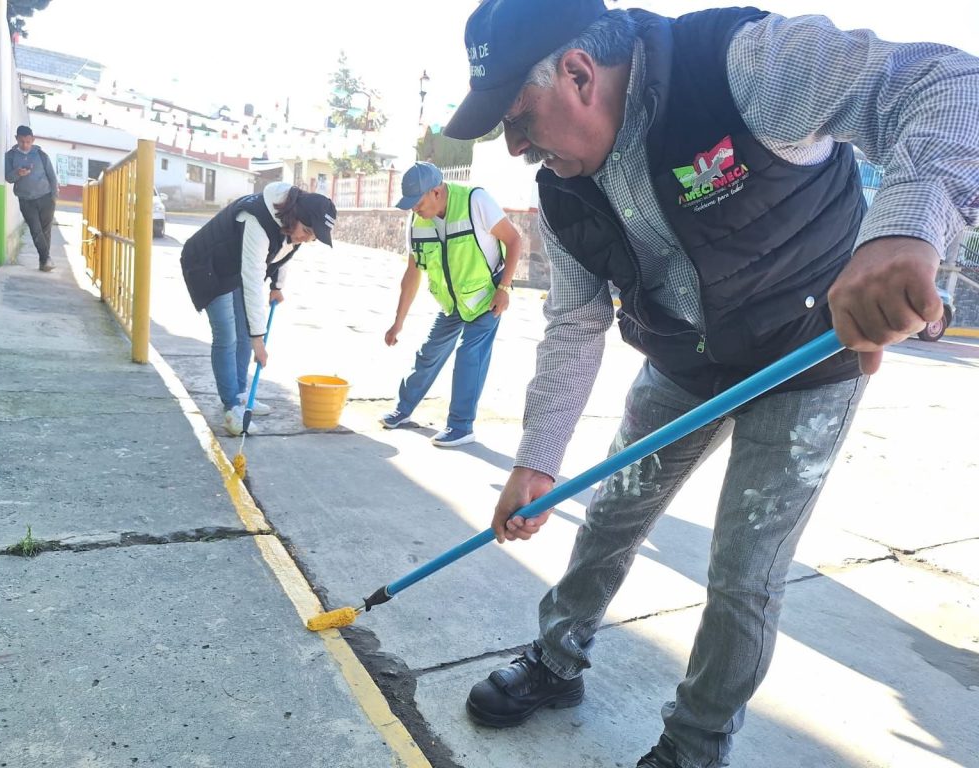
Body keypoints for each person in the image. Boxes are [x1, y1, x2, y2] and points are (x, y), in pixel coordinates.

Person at [443, 1, 979, 765]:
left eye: (519, 116)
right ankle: (556, 660)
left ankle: (694, 744)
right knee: (610, 517)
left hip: (806, 361)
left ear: (579, 74)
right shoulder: (562, 196)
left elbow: (949, 84)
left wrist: (906, 226)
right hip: (682, 364)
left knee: (743, 571)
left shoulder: (747, 67)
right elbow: (572, 324)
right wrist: (536, 460)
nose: (515, 145)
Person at [380, 161, 522, 447]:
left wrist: (504, 288)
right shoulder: (417, 221)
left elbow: (514, 240)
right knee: (429, 353)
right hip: (452, 301)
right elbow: (412, 273)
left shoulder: (475, 201)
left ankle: (461, 426)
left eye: (418, 202)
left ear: (436, 192)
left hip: (486, 297)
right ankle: (403, 410)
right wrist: (398, 322)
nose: (414, 209)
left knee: (470, 355)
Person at [180, 183, 337, 436]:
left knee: (244, 331)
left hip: (234, 267)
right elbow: (252, 279)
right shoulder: (257, 220)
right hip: (206, 264)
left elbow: (285, 250)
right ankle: (232, 408)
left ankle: (241, 395)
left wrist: (277, 286)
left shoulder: (293, 225)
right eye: (307, 231)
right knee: (227, 335)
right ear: (295, 216)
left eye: (313, 237)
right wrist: (259, 341)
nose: (306, 239)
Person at [4, 125, 59, 272]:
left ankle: (44, 261)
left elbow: (52, 176)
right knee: (35, 229)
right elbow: (8, 178)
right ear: (16, 139)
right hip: (26, 200)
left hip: (46, 197)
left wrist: (54, 196)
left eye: (28, 141)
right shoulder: (10, 156)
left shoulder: (41, 155)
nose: (25, 144)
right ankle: (46, 259)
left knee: (45, 231)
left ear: (33, 140)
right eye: (22, 141)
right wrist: (18, 173)